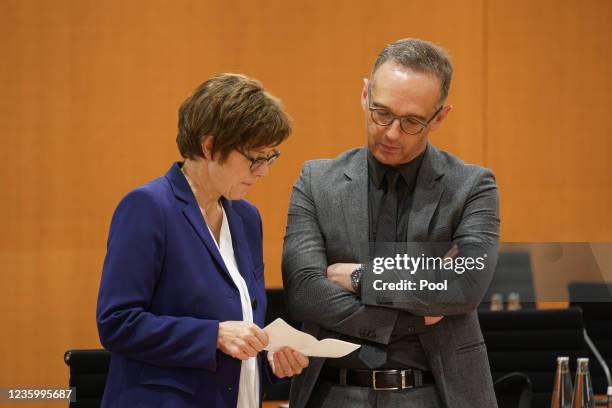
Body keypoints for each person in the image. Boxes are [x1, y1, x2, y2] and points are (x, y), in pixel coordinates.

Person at [282, 38, 500, 407]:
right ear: (365, 94)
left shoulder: (472, 186)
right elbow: (304, 290)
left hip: (436, 394)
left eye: (412, 121)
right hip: (333, 392)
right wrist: (409, 320)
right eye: (381, 112)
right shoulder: (316, 182)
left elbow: (464, 284)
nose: (391, 133)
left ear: (440, 117)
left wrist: (358, 277)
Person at [97, 73, 309, 408]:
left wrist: (270, 361)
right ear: (209, 147)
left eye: (271, 157)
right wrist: (213, 336)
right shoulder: (149, 207)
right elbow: (117, 323)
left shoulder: (246, 218)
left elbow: (240, 325)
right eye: (256, 157)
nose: (264, 171)